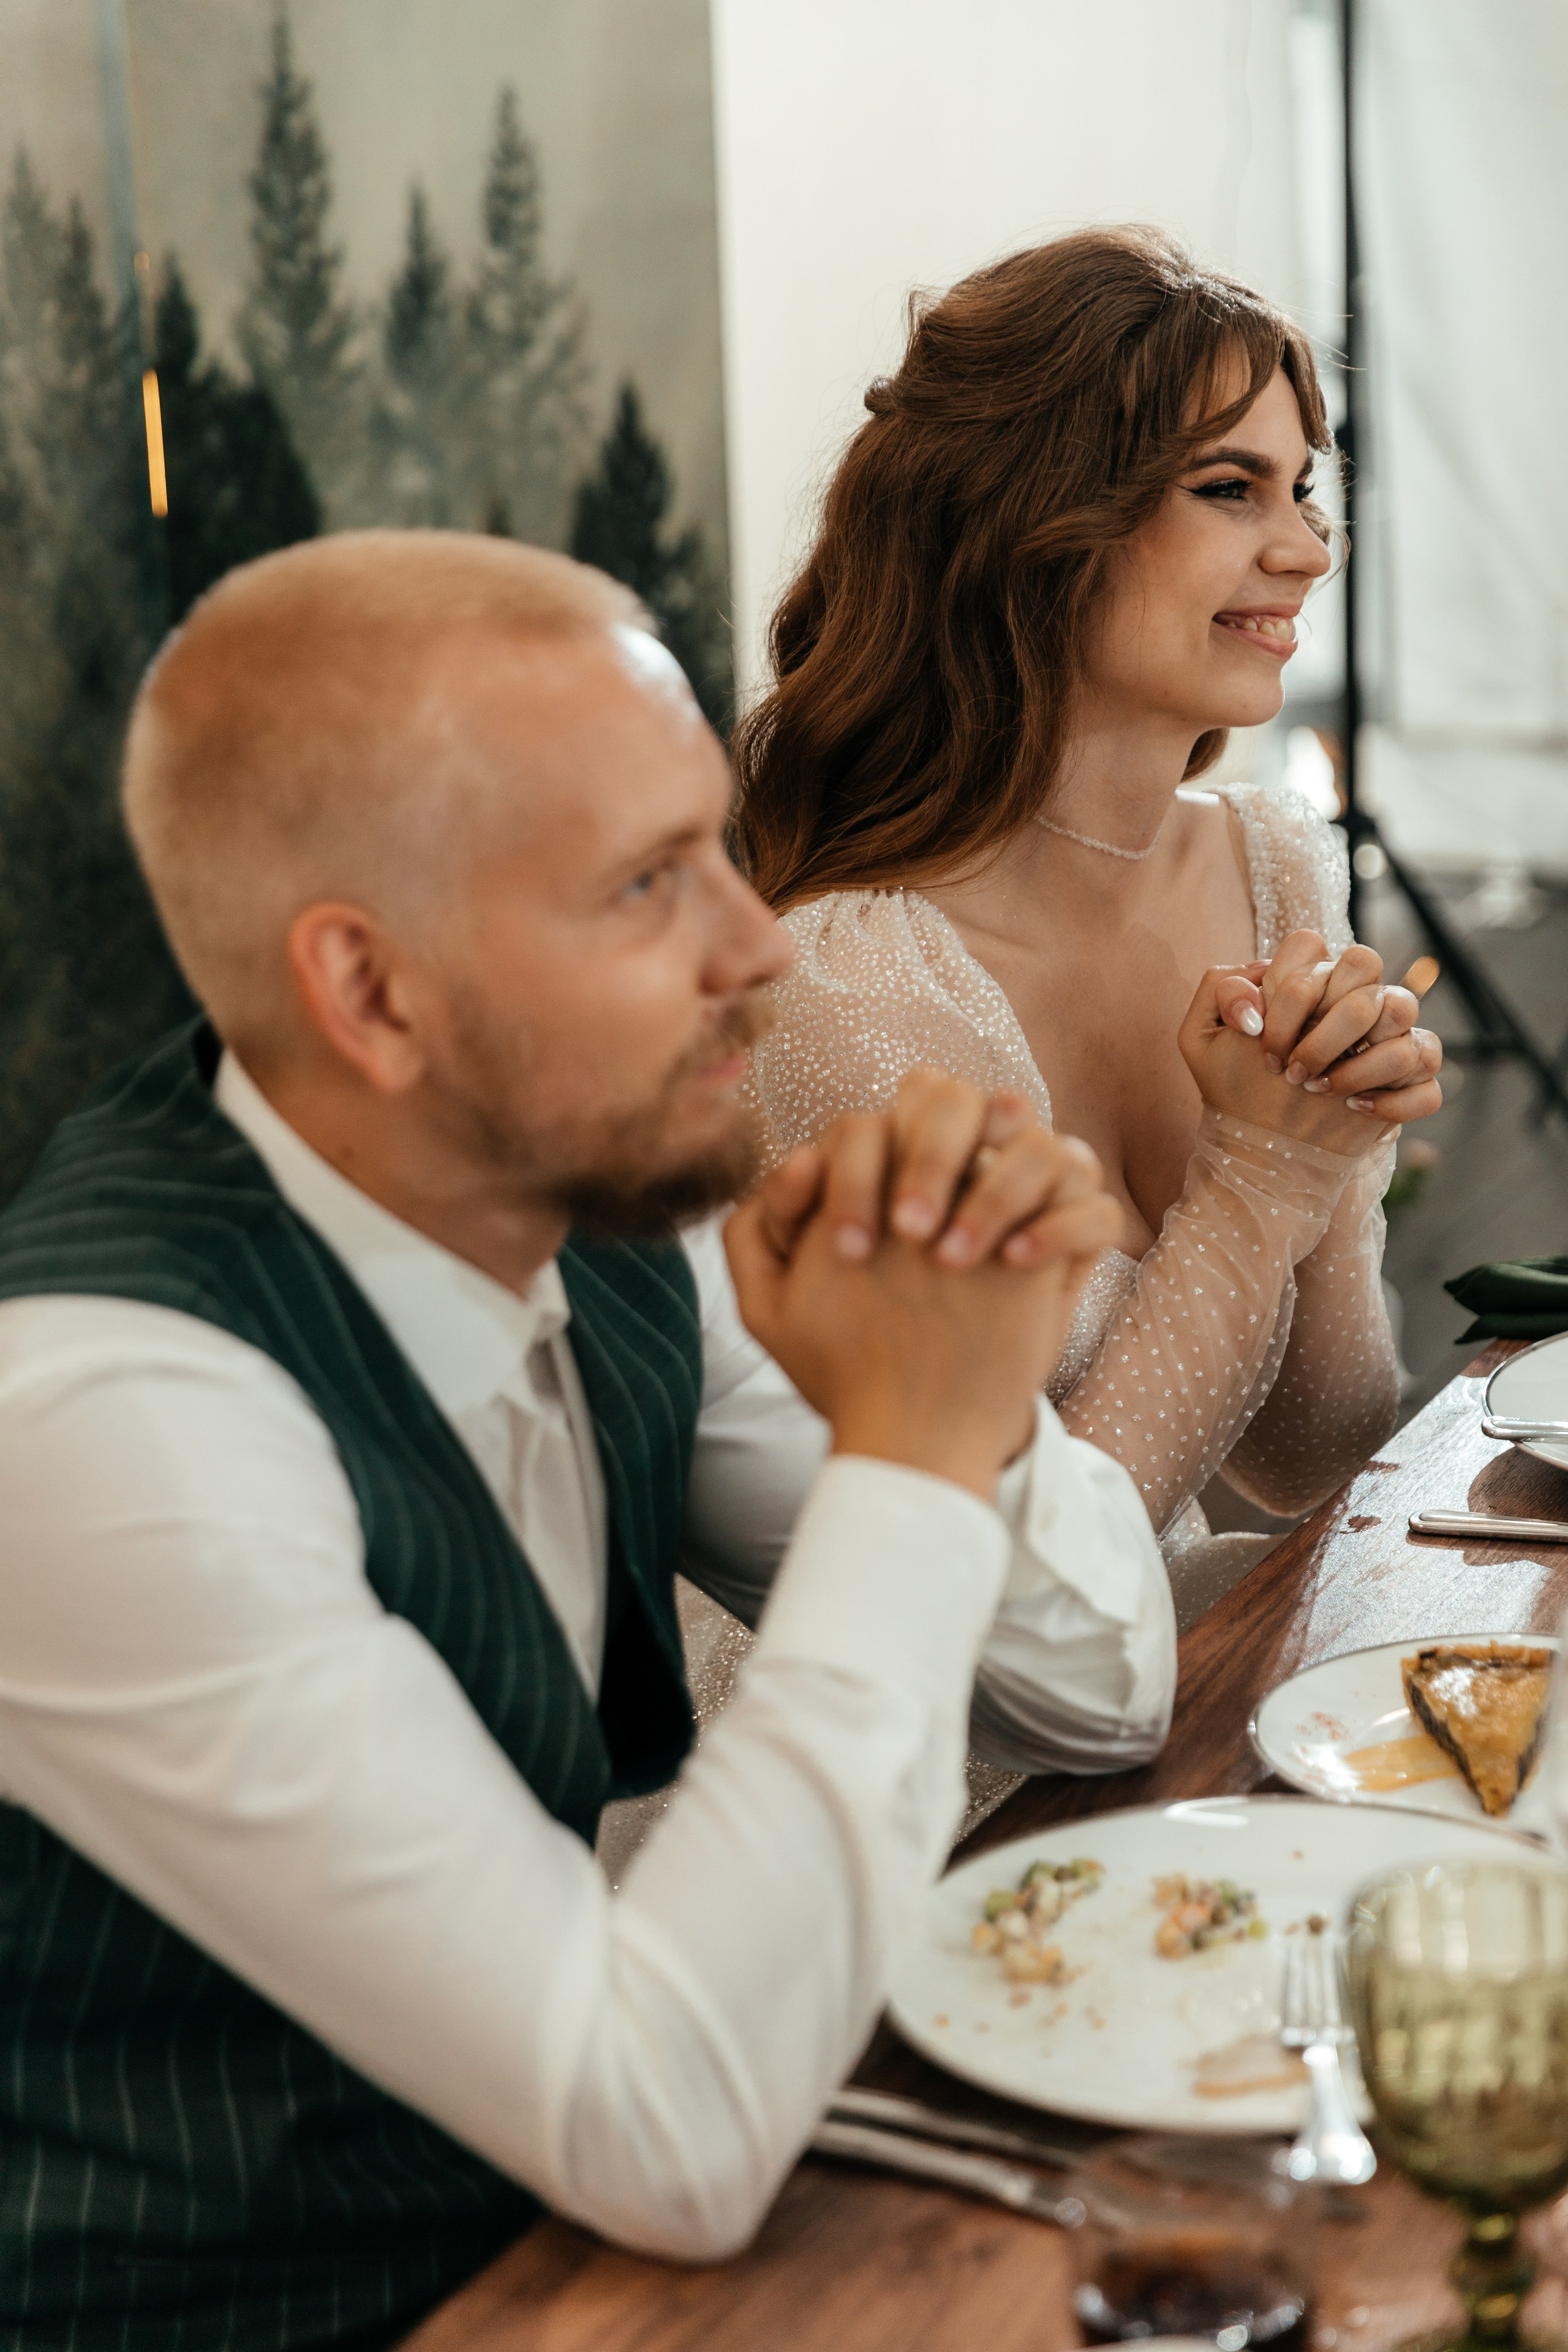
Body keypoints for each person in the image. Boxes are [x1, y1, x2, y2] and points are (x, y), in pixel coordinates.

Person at [0, 532, 1176, 2352]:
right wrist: (915, 1451)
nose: (759, 941)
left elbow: (1107, 1685)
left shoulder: (602, 1188)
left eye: (720, 839)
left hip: (586, 2262)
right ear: (370, 993)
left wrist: (945, 1362)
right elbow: (671, 2125)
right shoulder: (112, 1423)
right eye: (646, 885)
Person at [733, 226, 1444, 1624]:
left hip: (1138, 1685)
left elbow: (1310, 1454)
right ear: (1029, 519)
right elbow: (1025, 1613)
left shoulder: (1273, 867)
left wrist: (1326, 1162)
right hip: (905, 1764)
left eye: (1303, 489)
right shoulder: (849, 989)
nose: (1306, 549)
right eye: (1229, 488)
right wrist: (1251, 1181)